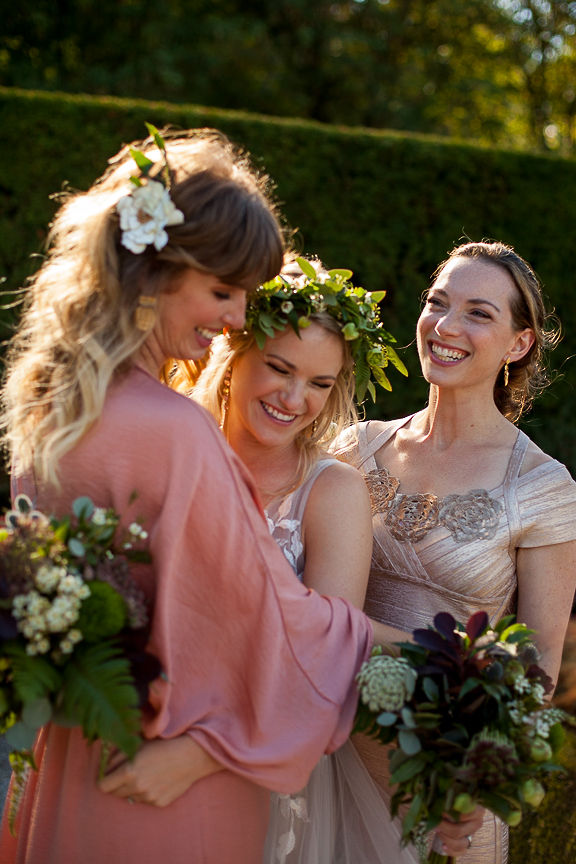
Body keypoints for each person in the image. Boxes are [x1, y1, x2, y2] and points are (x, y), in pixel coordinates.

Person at [0, 128, 377, 864]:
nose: (236, 318)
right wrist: (438, 652)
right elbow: (272, 623)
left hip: (68, 755)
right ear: (156, 271)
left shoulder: (52, 406)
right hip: (169, 782)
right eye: (222, 291)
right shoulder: (175, 430)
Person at [99, 256, 484, 862]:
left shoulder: (332, 490)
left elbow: (323, 656)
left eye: (319, 384)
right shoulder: (169, 445)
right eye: (279, 368)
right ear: (232, 352)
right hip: (127, 725)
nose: (294, 398)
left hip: (257, 761)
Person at [333, 240, 576, 864]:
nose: (445, 326)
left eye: (478, 313)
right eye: (438, 303)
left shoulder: (542, 487)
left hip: (444, 789)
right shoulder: (354, 449)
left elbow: (538, 668)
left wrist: (476, 781)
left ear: (519, 344)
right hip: (329, 761)